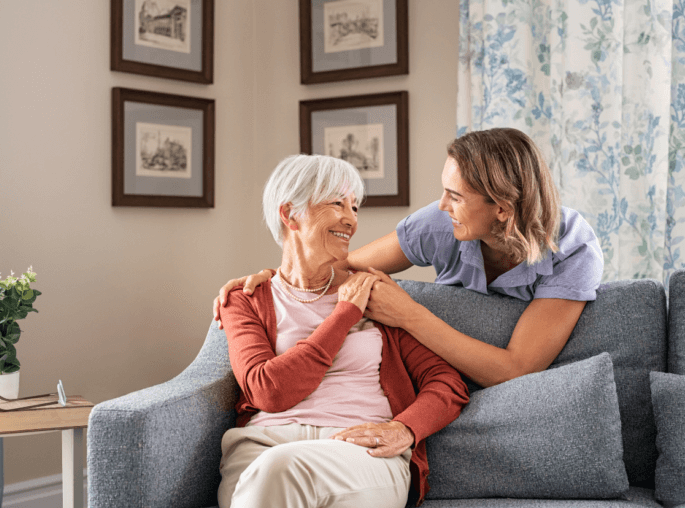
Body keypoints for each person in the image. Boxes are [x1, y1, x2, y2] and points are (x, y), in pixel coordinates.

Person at [215, 128, 604, 389]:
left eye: (456, 196)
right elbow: (338, 270)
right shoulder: (439, 224)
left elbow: (517, 369)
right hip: (437, 378)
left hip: (511, 390)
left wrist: (408, 313)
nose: (441, 204)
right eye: (444, 190)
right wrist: (274, 277)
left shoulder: (573, 249)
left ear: (501, 209)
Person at [218, 154, 469, 508]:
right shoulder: (246, 298)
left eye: (354, 206)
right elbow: (268, 392)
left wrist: (404, 429)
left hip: (360, 454)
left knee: (281, 470)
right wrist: (344, 315)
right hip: (261, 449)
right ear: (290, 214)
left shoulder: (376, 294)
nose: (351, 219)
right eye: (337, 203)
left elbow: (448, 384)